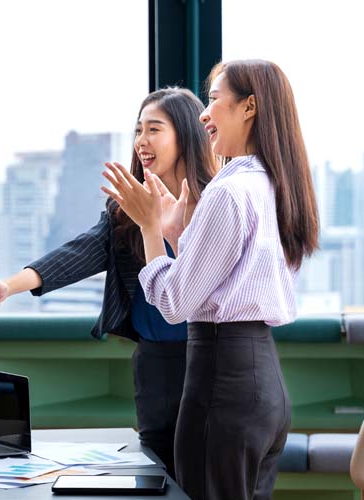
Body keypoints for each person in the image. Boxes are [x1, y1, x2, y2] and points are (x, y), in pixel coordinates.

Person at [102, 59, 319, 500]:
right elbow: (223, 279)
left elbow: (175, 302)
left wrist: (148, 229)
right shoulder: (268, 183)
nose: (204, 113)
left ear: (249, 108)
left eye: (215, 100)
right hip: (263, 384)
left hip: (222, 383)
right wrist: (179, 234)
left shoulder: (226, 191)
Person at [0, 88, 216, 476]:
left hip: (208, 359)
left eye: (154, 129)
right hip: (153, 362)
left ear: (186, 135)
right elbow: (78, 254)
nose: (142, 141)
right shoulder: (126, 207)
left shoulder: (216, 200)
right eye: (138, 130)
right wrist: (6, 287)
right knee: (157, 474)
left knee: (203, 473)